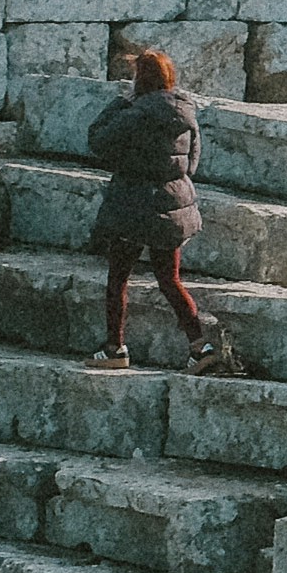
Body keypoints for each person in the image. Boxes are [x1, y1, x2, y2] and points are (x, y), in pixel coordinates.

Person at [84, 47, 238, 372]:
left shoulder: (136, 111)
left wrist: (123, 101)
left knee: (118, 279)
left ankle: (115, 349)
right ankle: (200, 347)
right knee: (169, 280)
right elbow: (191, 164)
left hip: (134, 207)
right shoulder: (186, 114)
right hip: (173, 208)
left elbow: (97, 139)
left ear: (141, 79)